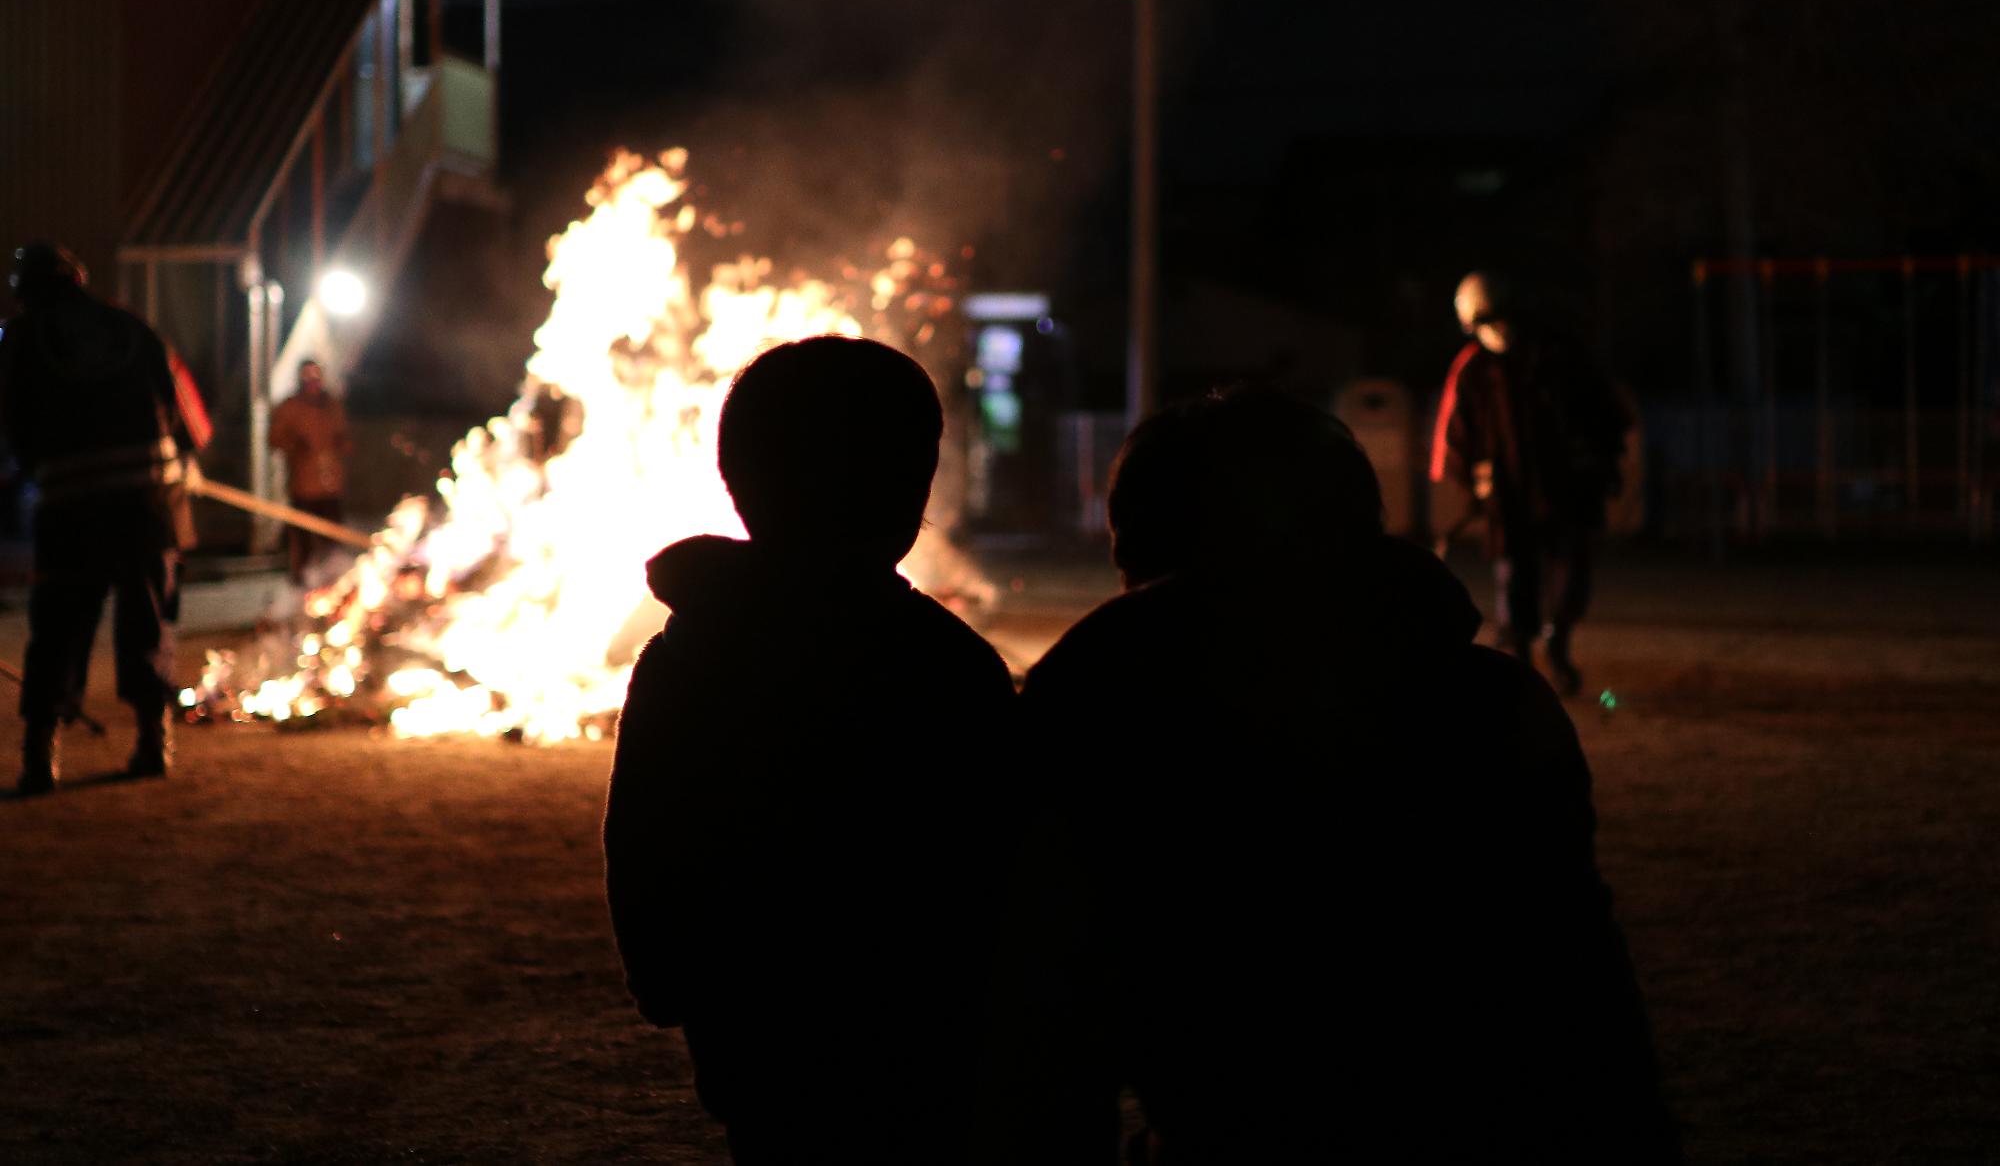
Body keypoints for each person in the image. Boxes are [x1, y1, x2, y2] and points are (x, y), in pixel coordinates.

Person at [1006, 387, 1677, 1163]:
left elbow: (1046, 1025)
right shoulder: (1492, 702)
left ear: (1146, 554)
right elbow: (1585, 983)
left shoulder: (1100, 715)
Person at [603, 336, 1016, 1165]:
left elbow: (644, 839)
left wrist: (669, 976)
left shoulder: (686, 654)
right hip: (925, 1041)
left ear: (740, 481)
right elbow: (1002, 863)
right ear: (911, 487)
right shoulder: (943, 665)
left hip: (753, 1037)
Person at [1, 242, 209, 794]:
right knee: (148, 623)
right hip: (148, 510)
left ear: (26, 291)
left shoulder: (21, 341)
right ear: (78, 278)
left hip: (68, 513)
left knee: (58, 631)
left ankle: (40, 759)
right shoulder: (133, 328)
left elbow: (9, 435)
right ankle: (151, 743)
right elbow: (194, 421)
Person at [1430, 270, 1629, 695]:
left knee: (1569, 579)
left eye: (1498, 318)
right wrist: (1474, 478)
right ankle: (1520, 665)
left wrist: (1599, 465)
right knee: (1514, 583)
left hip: (1568, 492)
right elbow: (1454, 436)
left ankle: (1557, 643)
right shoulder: (1472, 370)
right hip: (1508, 499)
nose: (1496, 331)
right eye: (1484, 323)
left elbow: (1606, 415)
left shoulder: (1562, 355)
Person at [269, 357, 352, 585]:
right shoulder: (290, 407)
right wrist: (296, 446)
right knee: (303, 536)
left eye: (316, 375)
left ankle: (333, 578)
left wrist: (341, 443)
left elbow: (343, 435)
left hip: (330, 483)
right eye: (308, 376)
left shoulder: (332, 406)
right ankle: (301, 579)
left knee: (333, 535)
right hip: (304, 484)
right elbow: (275, 438)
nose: (313, 381)